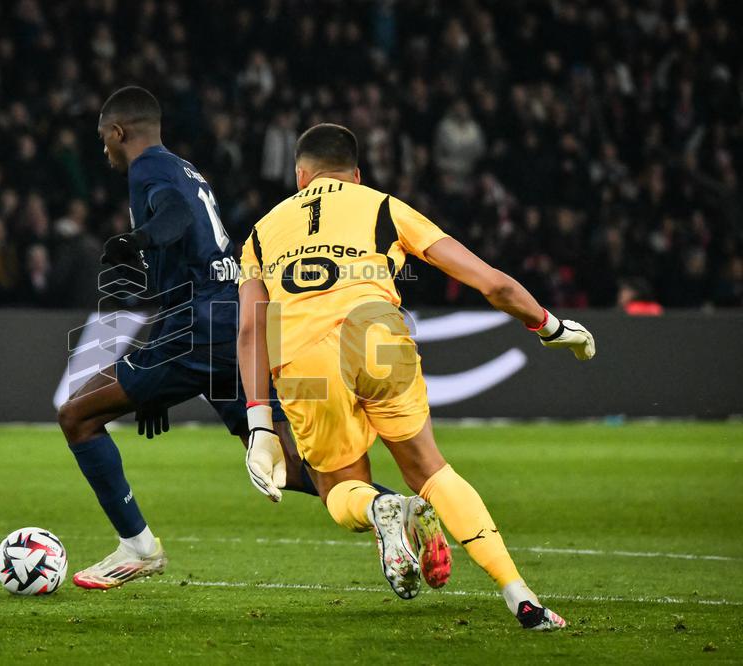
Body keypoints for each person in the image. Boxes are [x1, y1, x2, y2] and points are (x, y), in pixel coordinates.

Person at [237, 124, 596, 630]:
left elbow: (251, 328)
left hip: (302, 356)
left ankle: (382, 506)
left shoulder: (259, 232)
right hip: (375, 334)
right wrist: (550, 325)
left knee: (336, 490)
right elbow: (490, 282)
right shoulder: (382, 205)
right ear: (357, 175)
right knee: (432, 471)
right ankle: (521, 596)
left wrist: (258, 424)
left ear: (300, 177)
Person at [57, 87, 326, 590]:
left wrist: (136, 239)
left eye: (103, 139)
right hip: (225, 320)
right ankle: (387, 509)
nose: (104, 151)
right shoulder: (185, 168)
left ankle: (137, 547)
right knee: (283, 462)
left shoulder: (147, 172)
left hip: (199, 326)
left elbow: (175, 219)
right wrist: (155, 385)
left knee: (77, 415)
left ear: (118, 133)